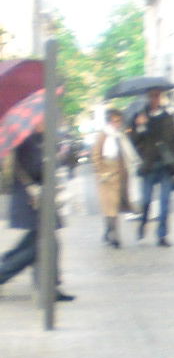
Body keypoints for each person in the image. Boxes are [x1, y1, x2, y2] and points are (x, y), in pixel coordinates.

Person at [0, 119, 74, 299]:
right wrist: (55, 157)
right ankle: (45, 287)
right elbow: (36, 169)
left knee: (38, 245)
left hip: (36, 202)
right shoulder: (27, 141)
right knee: (41, 246)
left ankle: (48, 288)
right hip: (32, 202)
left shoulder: (36, 139)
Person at [130, 87, 174, 247]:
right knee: (146, 201)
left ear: (160, 98)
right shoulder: (139, 117)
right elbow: (134, 141)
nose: (155, 99)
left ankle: (162, 235)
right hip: (149, 165)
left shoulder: (167, 117)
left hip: (165, 164)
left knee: (165, 203)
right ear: (147, 97)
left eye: (157, 96)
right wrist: (140, 127)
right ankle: (143, 224)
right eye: (152, 96)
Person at [90, 108, 137, 247]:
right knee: (111, 207)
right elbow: (96, 156)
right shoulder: (103, 135)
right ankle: (114, 236)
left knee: (115, 207)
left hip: (122, 175)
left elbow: (126, 153)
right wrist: (102, 171)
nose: (117, 123)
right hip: (107, 177)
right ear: (109, 121)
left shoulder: (120, 135)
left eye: (119, 120)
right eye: (115, 120)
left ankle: (108, 231)